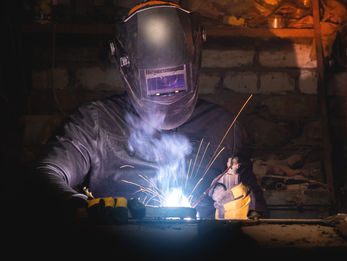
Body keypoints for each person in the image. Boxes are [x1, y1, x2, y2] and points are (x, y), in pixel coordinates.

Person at [33, 0, 268, 221]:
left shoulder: (224, 126)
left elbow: (259, 212)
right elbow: (46, 173)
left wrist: (242, 208)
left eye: (176, 80)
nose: (167, 92)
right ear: (129, 71)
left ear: (192, 66)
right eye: (157, 83)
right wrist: (80, 206)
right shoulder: (95, 122)